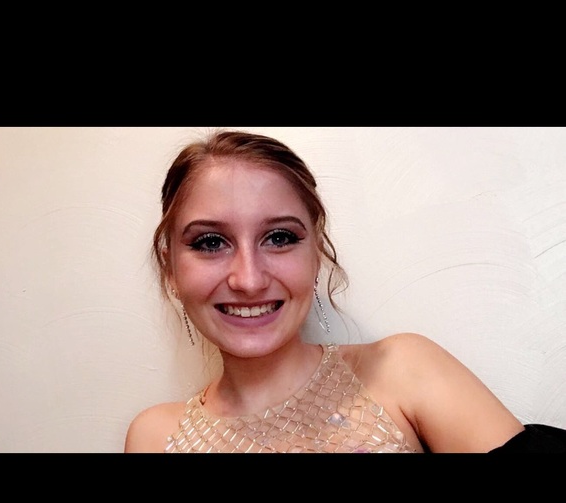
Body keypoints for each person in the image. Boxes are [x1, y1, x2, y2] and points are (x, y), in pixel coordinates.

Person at [124, 129, 566, 453]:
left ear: (316, 254)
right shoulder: (155, 436)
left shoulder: (402, 370)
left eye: (279, 237)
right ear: (170, 267)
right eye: (210, 243)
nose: (249, 279)